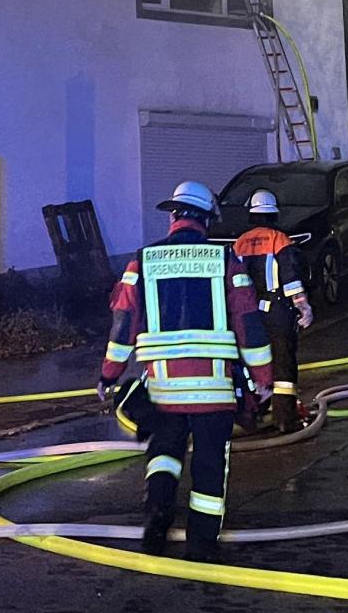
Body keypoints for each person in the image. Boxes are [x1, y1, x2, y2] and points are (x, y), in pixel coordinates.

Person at [99, 181, 274, 561]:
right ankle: (201, 544)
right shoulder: (226, 261)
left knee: (164, 452)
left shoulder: (141, 261)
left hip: (163, 390)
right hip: (214, 391)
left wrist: (109, 375)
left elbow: (123, 324)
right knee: (210, 463)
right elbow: (248, 325)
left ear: (174, 216)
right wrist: (263, 380)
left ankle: (157, 512)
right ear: (207, 220)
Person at [232, 190, 315, 433]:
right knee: (283, 365)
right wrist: (303, 306)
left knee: (250, 365)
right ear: (273, 214)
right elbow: (291, 278)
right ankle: (284, 419)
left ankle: (253, 415)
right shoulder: (279, 240)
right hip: (276, 311)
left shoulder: (240, 243)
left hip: (247, 315)